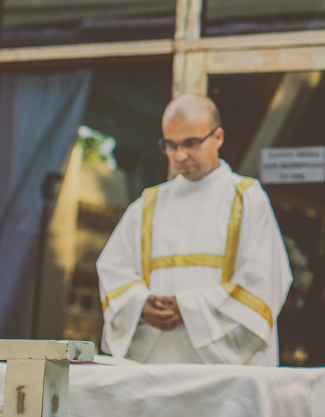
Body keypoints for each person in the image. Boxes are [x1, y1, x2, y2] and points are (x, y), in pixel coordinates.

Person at [96, 94, 292, 365]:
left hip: (222, 372)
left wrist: (187, 309)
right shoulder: (148, 204)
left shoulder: (247, 198)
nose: (180, 156)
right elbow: (113, 272)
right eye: (170, 145)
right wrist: (141, 306)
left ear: (218, 137)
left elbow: (263, 284)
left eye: (191, 143)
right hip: (156, 366)